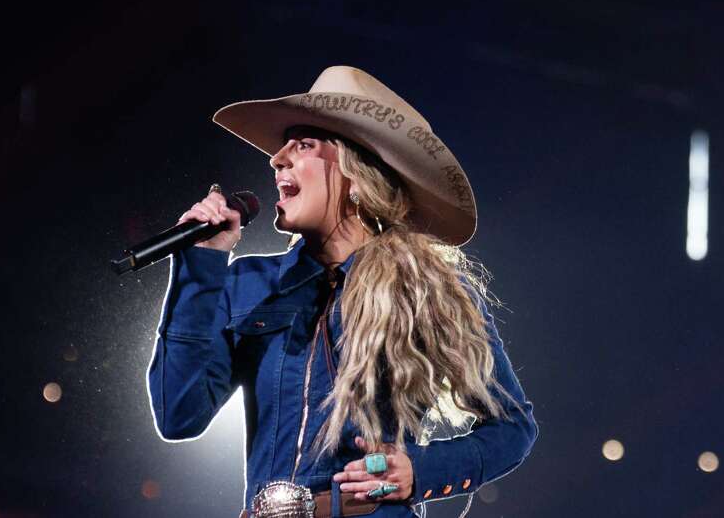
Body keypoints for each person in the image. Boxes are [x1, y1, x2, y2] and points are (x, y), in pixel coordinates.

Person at [147, 66, 538, 518]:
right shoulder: (247, 283)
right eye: (282, 148)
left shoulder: (423, 289)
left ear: (356, 172)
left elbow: (513, 428)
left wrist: (419, 471)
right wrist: (201, 264)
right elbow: (179, 416)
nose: (277, 159)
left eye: (304, 144)